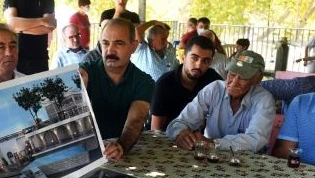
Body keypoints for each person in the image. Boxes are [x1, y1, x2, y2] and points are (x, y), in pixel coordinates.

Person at [167, 50, 275, 152]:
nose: (234, 82)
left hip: (248, 160)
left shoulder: (264, 100)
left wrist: (213, 143)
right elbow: (181, 122)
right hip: (209, 155)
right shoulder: (214, 89)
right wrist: (180, 133)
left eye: (243, 78)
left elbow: (255, 139)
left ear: (257, 79)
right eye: (232, 74)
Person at [78, 18, 154, 162]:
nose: (110, 50)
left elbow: (136, 121)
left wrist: (121, 146)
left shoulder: (144, 82)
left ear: (133, 47)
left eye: (119, 43)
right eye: (105, 43)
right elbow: (76, 82)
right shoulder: (87, 71)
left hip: (123, 151)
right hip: (86, 154)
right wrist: (78, 84)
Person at [151, 36, 221, 131]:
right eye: (194, 58)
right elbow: (156, 130)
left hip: (202, 138)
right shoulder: (165, 84)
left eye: (205, 61)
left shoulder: (214, 81)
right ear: (183, 57)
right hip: (168, 137)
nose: (199, 65)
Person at [3, 0, 56, 74]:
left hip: (40, 58)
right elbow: (12, 24)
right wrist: (42, 21)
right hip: (17, 58)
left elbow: (49, 27)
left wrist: (20, 28)